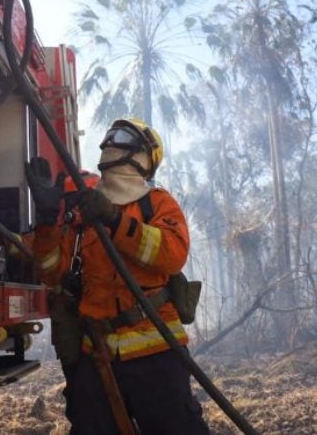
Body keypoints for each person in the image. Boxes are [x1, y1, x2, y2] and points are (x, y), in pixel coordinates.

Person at [26, 118, 209, 435]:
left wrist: (114, 219)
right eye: (109, 136)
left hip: (157, 353)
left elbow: (171, 254)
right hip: (97, 355)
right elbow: (52, 272)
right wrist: (46, 223)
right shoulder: (83, 214)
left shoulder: (157, 204)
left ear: (143, 157)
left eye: (122, 137)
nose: (110, 142)